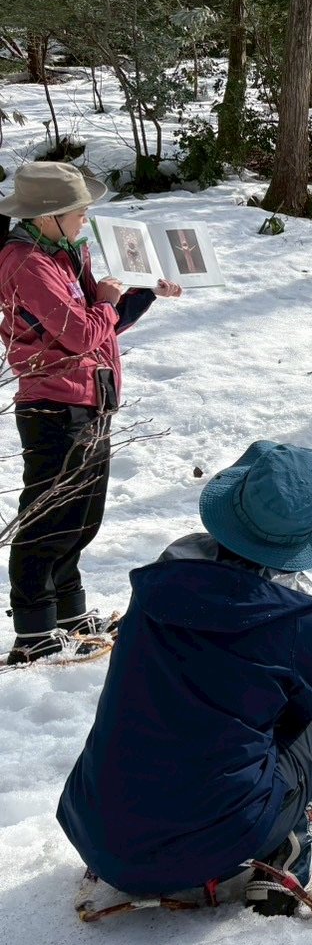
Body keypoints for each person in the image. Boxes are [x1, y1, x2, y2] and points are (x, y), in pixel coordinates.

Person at [57, 441, 312, 916]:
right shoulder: (301, 622)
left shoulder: (160, 579)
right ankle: (287, 864)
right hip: (203, 849)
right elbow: (300, 715)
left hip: (95, 826)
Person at [0, 161, 183, 664]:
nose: (86, 219)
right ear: (49, 215)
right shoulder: (25, 261)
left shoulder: (62, 252)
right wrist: (104, 299)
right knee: (48, 520)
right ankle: (34, 631)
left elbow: (99, 330)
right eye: (79, 211)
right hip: (53, 404)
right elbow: (81, 333)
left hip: (91, 397)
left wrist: (144, 292)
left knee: (82, 518)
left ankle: (66, 611)